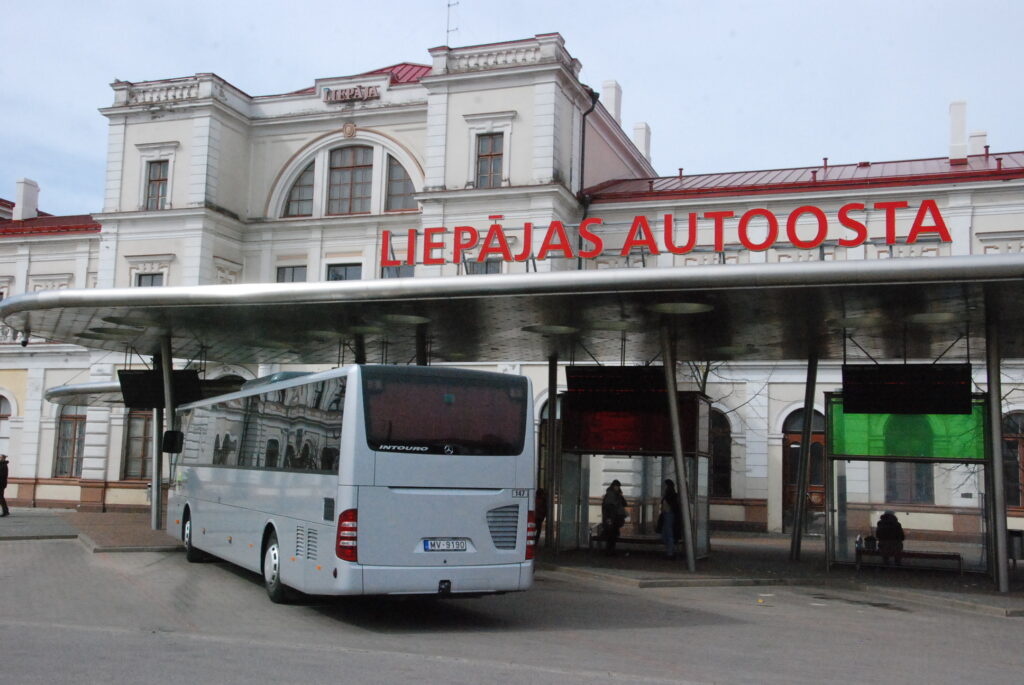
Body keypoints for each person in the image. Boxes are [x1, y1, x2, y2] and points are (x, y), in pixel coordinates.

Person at [601, 479, 627, 556]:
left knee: (613, 535)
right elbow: (608, 507)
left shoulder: (617, 495)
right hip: (612, 518)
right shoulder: (610, 494)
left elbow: (624, 503)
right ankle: (609, 551)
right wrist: (609, 519)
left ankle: (611, 551)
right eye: (616, 486)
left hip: (615, 518)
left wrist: (621, 496)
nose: (617, 488)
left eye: (618, 486)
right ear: (613, 486)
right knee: (611, 535)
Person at [659, 479, 682, 559]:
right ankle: (669, 551)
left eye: (665, 485)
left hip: (669, 514)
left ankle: (670, 552)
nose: (663, 487)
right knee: (665, 533)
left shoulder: (671, 495)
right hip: (666, 514)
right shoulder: (667, 494)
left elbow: (673, 506)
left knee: (669, 533)